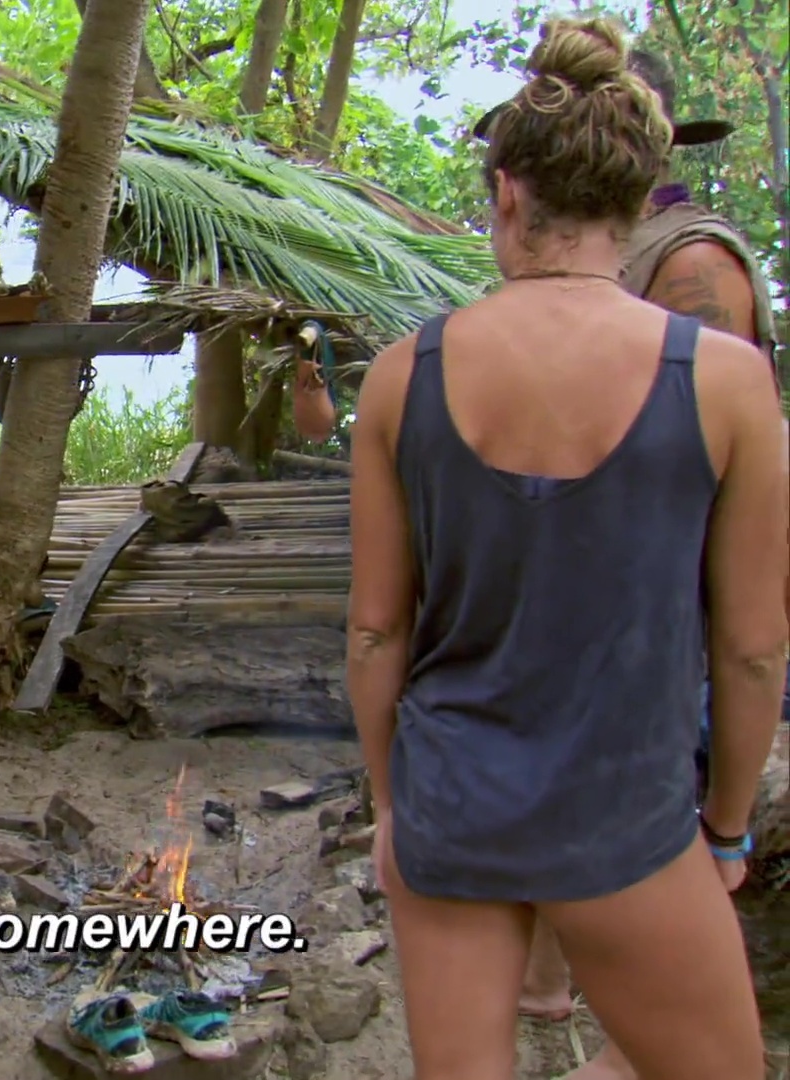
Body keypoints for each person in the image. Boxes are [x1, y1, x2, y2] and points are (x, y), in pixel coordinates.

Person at [346, 19, 787, 1080]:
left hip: (453, 811)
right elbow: (753, 649)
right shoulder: (726, 381)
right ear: (634, 202)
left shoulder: (405, 376)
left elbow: (374, 632)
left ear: (506, 193)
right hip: (626, 820)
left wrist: (393, 807)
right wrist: (726, 827)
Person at [470, 47, 789, 1078]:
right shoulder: (590, 261)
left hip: (673, 614)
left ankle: (626, 1046)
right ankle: (554, 991)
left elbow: (705, 470)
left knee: (663, 832)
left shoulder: (691, 262)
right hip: (598, 605)